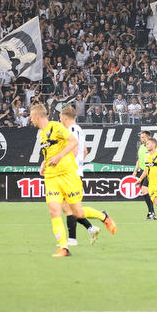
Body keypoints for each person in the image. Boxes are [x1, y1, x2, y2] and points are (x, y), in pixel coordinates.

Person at [30, 103, 115, 257]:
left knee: (77, 212)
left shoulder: (56, 127)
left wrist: (60, 157)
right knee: (54, 210)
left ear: (36, 116)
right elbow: (50, 153)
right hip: (52, 177)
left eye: (31, 117)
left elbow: (74, 143)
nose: (30, 120)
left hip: (68, 176)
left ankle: (103, 216)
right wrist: (44, 163)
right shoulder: (42, 134)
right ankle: (64, 247)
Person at [60, 106, 100, 246]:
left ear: (65, 117)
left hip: (71, 173)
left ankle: (72, 239)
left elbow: (75, 151)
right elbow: (86, 151)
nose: (60, 120)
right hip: (76, 172)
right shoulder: (79, 130)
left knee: (69, 207)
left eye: (60, 117)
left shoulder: (71, 130)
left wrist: (64, 163)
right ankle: (90, 228)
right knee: (67, 207)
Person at [132, 130, 157, 220]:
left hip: (150, 171)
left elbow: (152, 164)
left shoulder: (153, 148)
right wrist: (135, 171)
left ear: (148, 137)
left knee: (145, 190)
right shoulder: (142, 147)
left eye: (143, 137)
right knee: (145, 192)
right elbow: (139, 159)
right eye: (141, 137)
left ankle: (151, 212)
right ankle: (152, 212)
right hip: (142, 171)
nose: (141, 139)